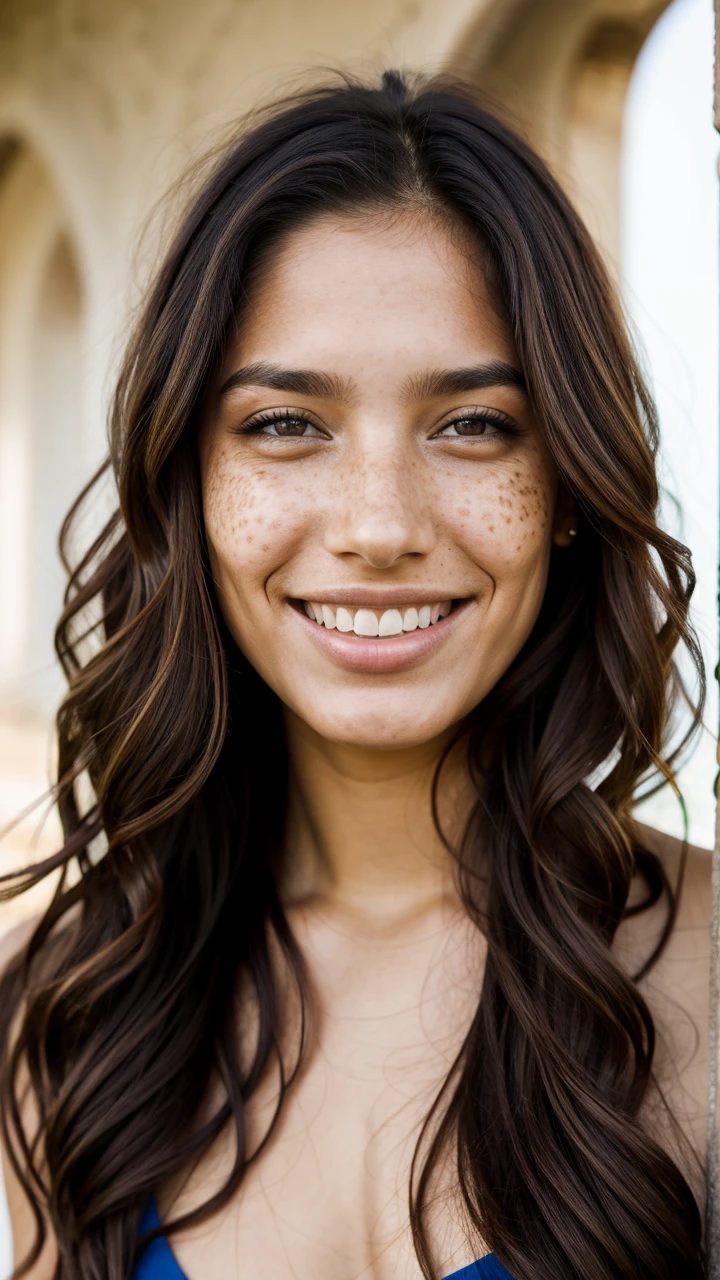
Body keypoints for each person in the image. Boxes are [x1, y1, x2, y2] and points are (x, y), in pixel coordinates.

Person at [0, 70, 711, 1280]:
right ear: (191, 489)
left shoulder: (709, 972)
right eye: (286, 424)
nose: (379, 524)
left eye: (473, 423)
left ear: (570, 495)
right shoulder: (59, 1014)